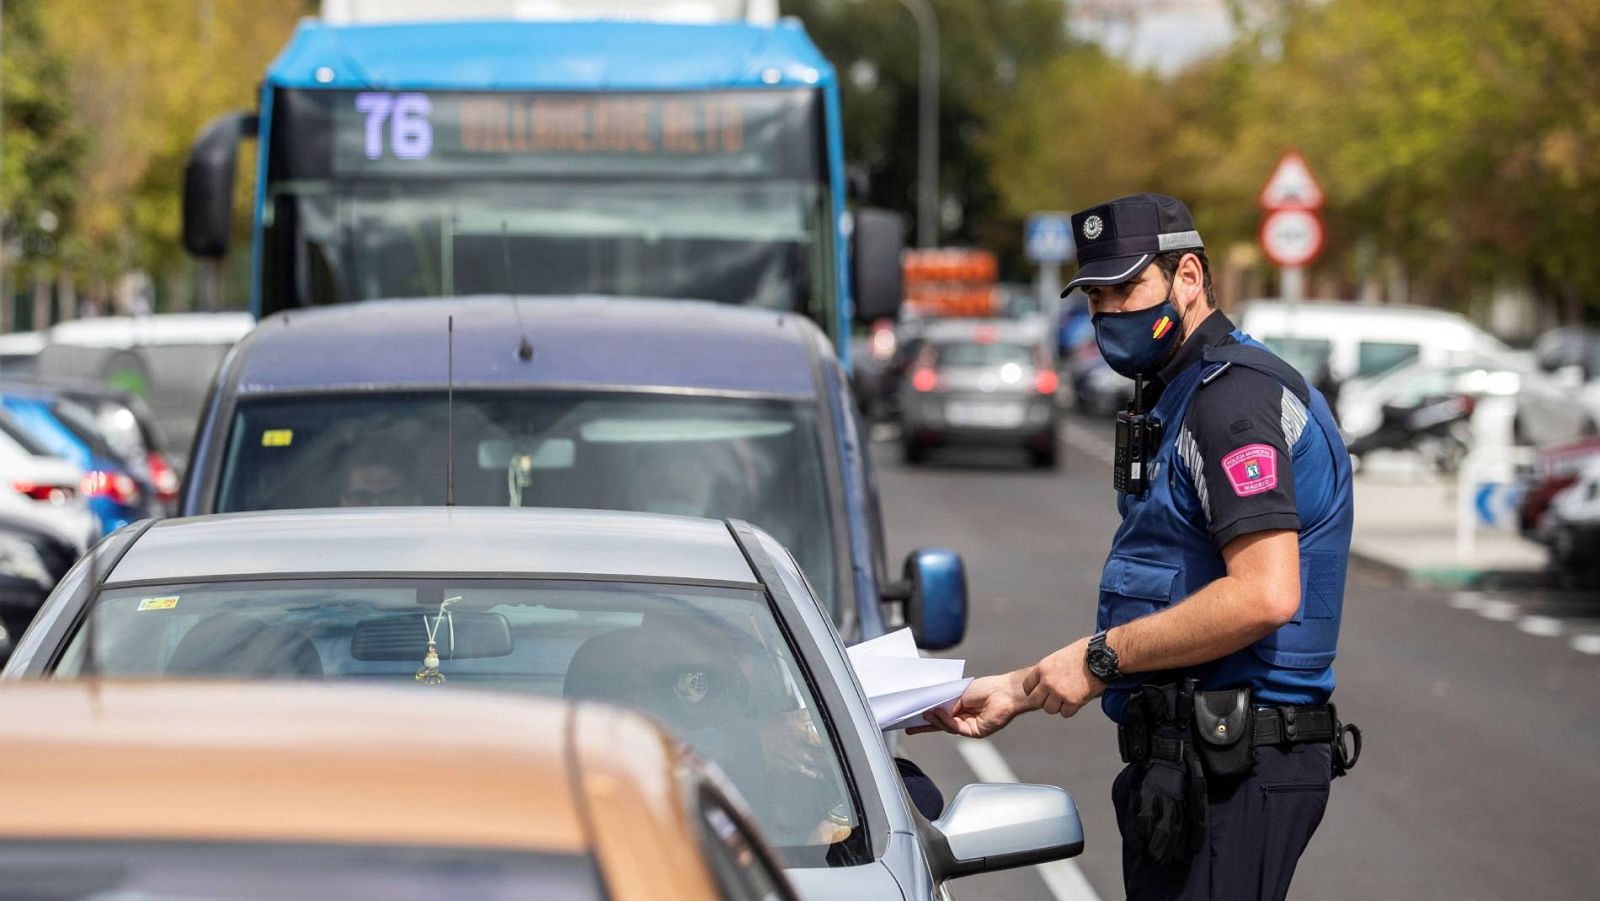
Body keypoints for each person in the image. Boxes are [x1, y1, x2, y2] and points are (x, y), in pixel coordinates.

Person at [916, 193, 1360, 900]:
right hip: (1192, 762)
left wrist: (1100, 658)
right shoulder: (1177, 392)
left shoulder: (1232, 402)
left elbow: (1265, 592)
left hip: (1238, 767)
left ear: (1189, 276)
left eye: (1126, 287)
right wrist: (1018, 687)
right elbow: (1171, 592)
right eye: (1095, 294)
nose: (1107, 312)